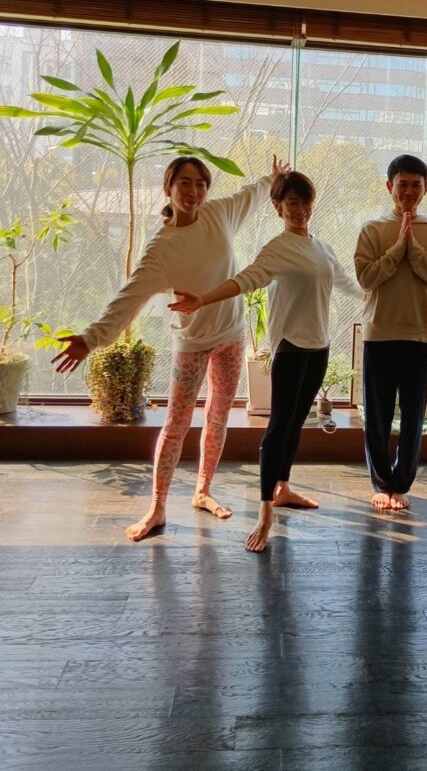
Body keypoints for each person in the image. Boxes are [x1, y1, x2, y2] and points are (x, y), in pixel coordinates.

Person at [52, 154, 289, 542]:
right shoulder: (161, 249)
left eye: (201, 184)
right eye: (185, 183)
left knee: (217, 417)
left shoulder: (220, 214)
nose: (194, 191)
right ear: (168, 188)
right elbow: (127, 300)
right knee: (176, 425)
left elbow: (252, 193)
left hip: (231, 336)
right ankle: (158, 507)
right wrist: (90, 339)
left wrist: (273, 178)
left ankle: (202, 491)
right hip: (191, 344)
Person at [170, 171, 363, 553]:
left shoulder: (323, 248)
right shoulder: (277, 249)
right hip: (290, 347)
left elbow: (347, 284)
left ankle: (283, 488)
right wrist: (202, 299)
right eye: (292, 203)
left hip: (319, 347)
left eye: (305, 202)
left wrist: (383, 297)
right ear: (278, 207)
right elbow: (245, 280)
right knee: (278, 428)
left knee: (296, 425)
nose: (300, 210)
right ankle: (263, 513)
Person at [354, 154, 427, 512]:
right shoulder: (372, 229)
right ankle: (382, 484)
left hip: (419, 334)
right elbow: (366, 278)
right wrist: (398, 249)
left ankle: (402, 484)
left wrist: (414, 248)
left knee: (414, 417)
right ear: (389, 187)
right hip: (379, 332)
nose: (409, 191)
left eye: (416, 185)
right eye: (402, 184)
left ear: (426, 188)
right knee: (377, 417)